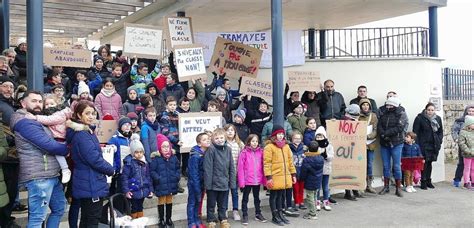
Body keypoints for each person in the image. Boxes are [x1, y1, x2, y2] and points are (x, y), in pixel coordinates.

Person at [11, 91, 69, 227]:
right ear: (23, 103)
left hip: (51, 174)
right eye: (33, 101)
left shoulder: (38, 118)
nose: (38, 104)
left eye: (39, 101)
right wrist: (69, 149)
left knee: (60, 209)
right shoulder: (24, 121)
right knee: (37, 218)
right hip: (39, 177)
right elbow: (49, 145)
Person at [66, 100, 114, 227]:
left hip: (89, 180)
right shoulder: (82, 135)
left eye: (93, 113)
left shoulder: (87, 132)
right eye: (87, 113)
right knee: (92, 219)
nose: (91, 116)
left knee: (87, 219)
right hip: (90, 182)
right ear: (78, 115)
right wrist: (111, 169)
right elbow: (94, 159)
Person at [23, 93, 75, 184]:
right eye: (46, 104)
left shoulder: (59, 113)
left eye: (51, 104)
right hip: (56, 137)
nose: (48, 106)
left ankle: (65, 169)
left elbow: (50, 120)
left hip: (60, 137)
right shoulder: (48, 113)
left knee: (58, 153)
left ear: (57, 104)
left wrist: (35, 117)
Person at [264, 125, 297, 226]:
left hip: (285, 176)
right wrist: (268, 177)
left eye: (282, 134)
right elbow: (267, 163)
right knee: (274, 196)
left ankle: (280, 213)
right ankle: (275, 215)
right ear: (274, 135)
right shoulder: (269, 147)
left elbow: (290, 162)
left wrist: (293, 174)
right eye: (278, 134)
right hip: (275, 176)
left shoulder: (286, 146)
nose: (280, 136)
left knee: (281, 196)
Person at [203, 128, 235, 228]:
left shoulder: (228, 150)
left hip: (224, 182)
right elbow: (208, 168)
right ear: (213, 139)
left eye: (221, 137)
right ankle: (211, 219)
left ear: (225, 138)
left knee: (223, 204)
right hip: (213, 183)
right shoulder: (211, 150)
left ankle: (223, 219)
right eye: (217, 138)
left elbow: (232, 167)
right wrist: (208, 185)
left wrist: (232, 183)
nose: (219, 140)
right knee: (211, 203)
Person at [377, 97, 407, 197]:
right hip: (384, 143)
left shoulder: (401, 113)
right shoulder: (383, 111)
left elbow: (399, 127)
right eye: (387, 105)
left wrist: (386, 133)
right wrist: (382, 134)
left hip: (396, 143)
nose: (388, 107)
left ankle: (398, 188)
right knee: (386, 166)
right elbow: (379, 124)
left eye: (390, 105)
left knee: (397, 166)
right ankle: (386, 186)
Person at [151, 134, 180, 228]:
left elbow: (177, 168)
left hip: (171, 183)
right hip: (161, 184)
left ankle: (168, 218)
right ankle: (161, 219)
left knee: (169, 201)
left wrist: (176, 176)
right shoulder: (156, 159)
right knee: (161, 201)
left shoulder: (173, 157)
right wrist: (157, 178)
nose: (166, 149)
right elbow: (152, 171)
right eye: (163, 147)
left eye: (167, 146)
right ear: (159, 147)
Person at [121, 134, 153, 218]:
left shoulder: (145, 163)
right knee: (134, 207)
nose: (139, 154)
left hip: (143, 190)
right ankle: (134, 222)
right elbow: (124, 178)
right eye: (136, 152)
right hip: (133, 190)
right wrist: (126, 191)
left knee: (140, 207)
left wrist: (150, 189)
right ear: (132, 153)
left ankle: (140, 222)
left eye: (141, 152)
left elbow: (148, 177)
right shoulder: (129, 163)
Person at [237, 134, 267, 225]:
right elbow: (240, 168)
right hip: (247, 180)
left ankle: (258, 213)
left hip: (257, 180)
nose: (255, 143)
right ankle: (245, 215)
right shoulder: (244, 152)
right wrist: (241, 182)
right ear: (249, 142)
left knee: (257, 198)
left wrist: (264, 180)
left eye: (256, 141)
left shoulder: (261, 152)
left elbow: (263, 166)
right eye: (253, 141)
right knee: (245, 198)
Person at [413, 102, 443, 190]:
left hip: (433, 144)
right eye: (429, 110)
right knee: (424, 163)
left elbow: (440, 131)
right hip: (423, 144)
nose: (430, 112)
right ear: (426, 110)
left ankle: (429, 180)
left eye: (432, 110)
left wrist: (439, 140)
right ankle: (423, 181)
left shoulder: (438, 119)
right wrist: (417, 145)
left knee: (430, 163)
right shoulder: (420, 118)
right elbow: (415, 132)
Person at [187, 133, 211, 228]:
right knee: (192, 203)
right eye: (205, 140)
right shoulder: (195, 156)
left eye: (208, 139)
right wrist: (197, 187)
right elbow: (194, 174)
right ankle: (191, 222)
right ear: (199, 143)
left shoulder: (206, 153)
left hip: (202, 183)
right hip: (194, 184)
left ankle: (197, 220)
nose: (208, 140)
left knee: (198, 202)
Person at [341, 104, 364, 200]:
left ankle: (354, 189)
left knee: (354, 170)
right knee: (348, 170)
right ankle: (348, 191)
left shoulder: (354, 121)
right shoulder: (345, 121)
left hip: (354, 148)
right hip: (347, 150)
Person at [107, 117, 133, 194]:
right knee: (119, 193)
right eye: (125, 125)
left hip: (129, 171)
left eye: (129, 125)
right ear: (120, 126)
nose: (128, 126)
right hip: (119, 172)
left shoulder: (131, 139)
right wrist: (114, 169)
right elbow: (110, 156)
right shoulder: (115, 139)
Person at [224, 124, 244, 221]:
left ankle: (235, 210)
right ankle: (224, 210)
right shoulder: (223, 143)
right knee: (225, 192)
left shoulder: (239, 144)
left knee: (235, 192)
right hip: (225, 173)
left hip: (236, 173)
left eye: (232, 130)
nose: (230, 132)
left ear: (235, 132)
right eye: (228, 130)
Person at [299, 141, 324, 220]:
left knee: (310, 197)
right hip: (318, 180)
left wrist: (301, 179)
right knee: (314, 196)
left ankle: (312, 214)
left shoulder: (307, 160)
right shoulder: (321, 158)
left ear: (308, 149)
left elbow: (303, 171)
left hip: (310, 181)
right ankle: (314, 210)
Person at [358, 98, 378, 193]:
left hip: (370, 144)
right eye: (363, 105)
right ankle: (360, 185)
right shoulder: (357, 116)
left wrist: (368, 136)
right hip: (359, 144)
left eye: (367, 105)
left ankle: (369, 185)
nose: (365, 107)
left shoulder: (373, 116)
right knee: (360, 164)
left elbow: (375, 129)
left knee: (369, 164)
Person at [451, 104, 474, 187]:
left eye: (472, 111)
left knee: (472, 166)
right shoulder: (460, 121)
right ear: (466, 111)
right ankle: (457, 179)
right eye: (469, 111)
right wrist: (457, 139)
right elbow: (454, 130)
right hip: (464, 145)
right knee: (461, 163)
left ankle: (471, 181)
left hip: (473, 147)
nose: (471, 112)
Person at [315, 126, 334, 211]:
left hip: (326, 169)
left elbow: (331, 157)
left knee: (325, 187)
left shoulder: (329, 146)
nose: (319, 138)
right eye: (317, 136)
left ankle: (326, 202)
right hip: (317, 170)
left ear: (324, 136)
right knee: (318, 187)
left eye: (321, 136)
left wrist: (326, 156)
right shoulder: (314, 145)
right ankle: (317, 202)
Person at [290, 131, 306, 210]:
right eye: (295, 138)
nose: (297, 140)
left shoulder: (304, 148)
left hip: (302, 170)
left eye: (299, 138)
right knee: (295, 188)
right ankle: (296, 202)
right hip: (294, 171)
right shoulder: (289, 148)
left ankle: (301, 201)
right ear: (292, 139)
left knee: (301, 188)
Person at [458, 116, 474, 189]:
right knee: (467, 168)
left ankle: (473, 182)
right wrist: (468, 151)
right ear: (468, 124)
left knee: (473, 169)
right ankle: (466, 182)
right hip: (467, 154)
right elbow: (461, 143)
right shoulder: (463, 132)